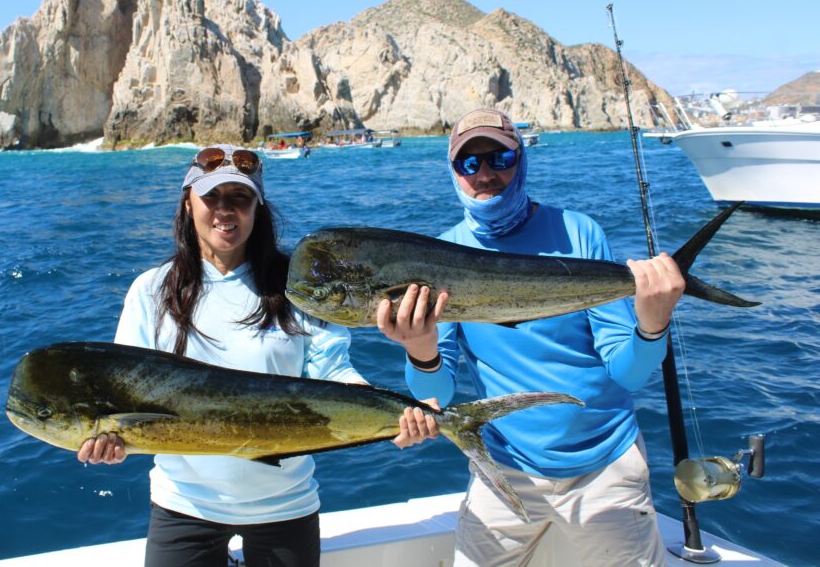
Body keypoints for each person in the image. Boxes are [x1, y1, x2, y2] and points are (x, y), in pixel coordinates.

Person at [77, 144, 427, 566]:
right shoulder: (150, 291)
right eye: (212, 197)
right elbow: (123, 398)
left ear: (258, 208)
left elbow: (334, 374)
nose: (226, 210)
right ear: (188, 204)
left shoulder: (299, 290)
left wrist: (394, 416)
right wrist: (111, 443)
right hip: (185, 506)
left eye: (240, 198)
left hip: (285, 506)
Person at [380, 109, 684, 566]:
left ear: (522, 160)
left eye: (499, 157)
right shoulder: (440, 254)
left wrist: (652, 325)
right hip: (503, 471)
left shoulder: (580, 233)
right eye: (469, 164)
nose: (485, 174)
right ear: (454, 173)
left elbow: (630, 372)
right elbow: (435, 393)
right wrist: (419, 350)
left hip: (603, 469)